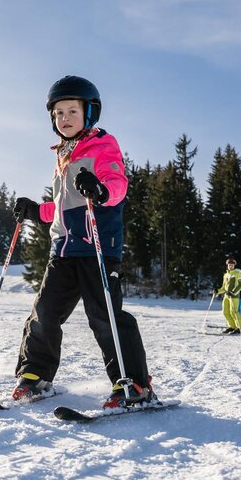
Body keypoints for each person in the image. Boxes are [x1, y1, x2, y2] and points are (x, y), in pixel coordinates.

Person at [11, 75, 156, 409]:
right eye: (58, 113)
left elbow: (116, 184)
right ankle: (35, 375)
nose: (64, 118)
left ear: (90, 113)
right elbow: (64, 206)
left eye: (72, 111)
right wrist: (36, 211)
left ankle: (133, 383)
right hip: (62, 249)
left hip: (97, 248)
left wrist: (102, 190)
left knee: (104, 316)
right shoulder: (63, 155)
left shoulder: (103, 145)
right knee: (44, 312)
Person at [213, 258, 241, 334]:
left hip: (234, 296)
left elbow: (240, 285)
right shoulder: (225, 275)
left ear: (234, 265)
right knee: (225, 312)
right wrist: (217, 291)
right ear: (227, 265)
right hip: (226, 296)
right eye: (229, 265)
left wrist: (233, 292)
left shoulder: (237, 274)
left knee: (234, 312)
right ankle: (232, 326)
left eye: (232, 265)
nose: (231, 266)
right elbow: (223, 287)